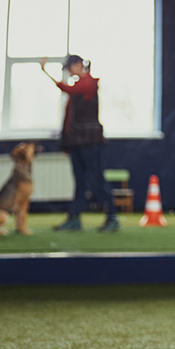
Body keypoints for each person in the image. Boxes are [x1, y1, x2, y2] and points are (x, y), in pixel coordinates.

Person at [40, 54, 119, 233]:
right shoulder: (79, 86)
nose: (68, 71)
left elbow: (67, 89)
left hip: (90, 143)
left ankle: (112, 217)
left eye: (70, 67)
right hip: (76, 143)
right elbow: (70, 118)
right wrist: (67, 143)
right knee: (80, 182)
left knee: (97, 180)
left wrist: (45, 72)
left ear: (77, 64)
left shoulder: (88, 84)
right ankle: (75, 219)